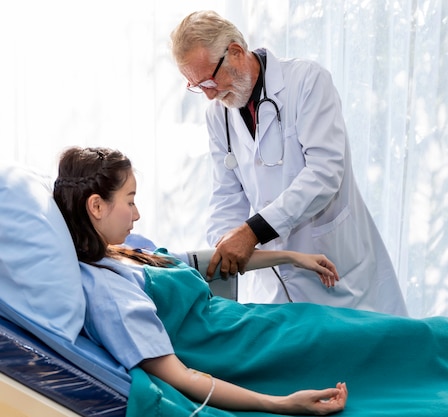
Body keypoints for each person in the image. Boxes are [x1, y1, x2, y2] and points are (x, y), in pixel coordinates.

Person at [52, 146, 347, 415]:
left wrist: (293, 257)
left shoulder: (119, 254)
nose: (137, 214)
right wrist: (282, 404)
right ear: (97, 206)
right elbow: (183, 378)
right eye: (130, 201)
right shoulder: (109, 294)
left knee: (340, 327)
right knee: (350, 338)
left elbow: (209, 260)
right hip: (245, 353)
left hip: (253, 326)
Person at [170, 10, 408, 315]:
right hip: (273, 282)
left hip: (337, 270)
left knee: (366, 354)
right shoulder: (219, 115)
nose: (209, 96)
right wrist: (225, 243)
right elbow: (226, 194)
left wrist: (251, 232)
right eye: (197, 87)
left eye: (209, 81)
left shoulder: (307, 82)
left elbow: (324, 173)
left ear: (235, 52)